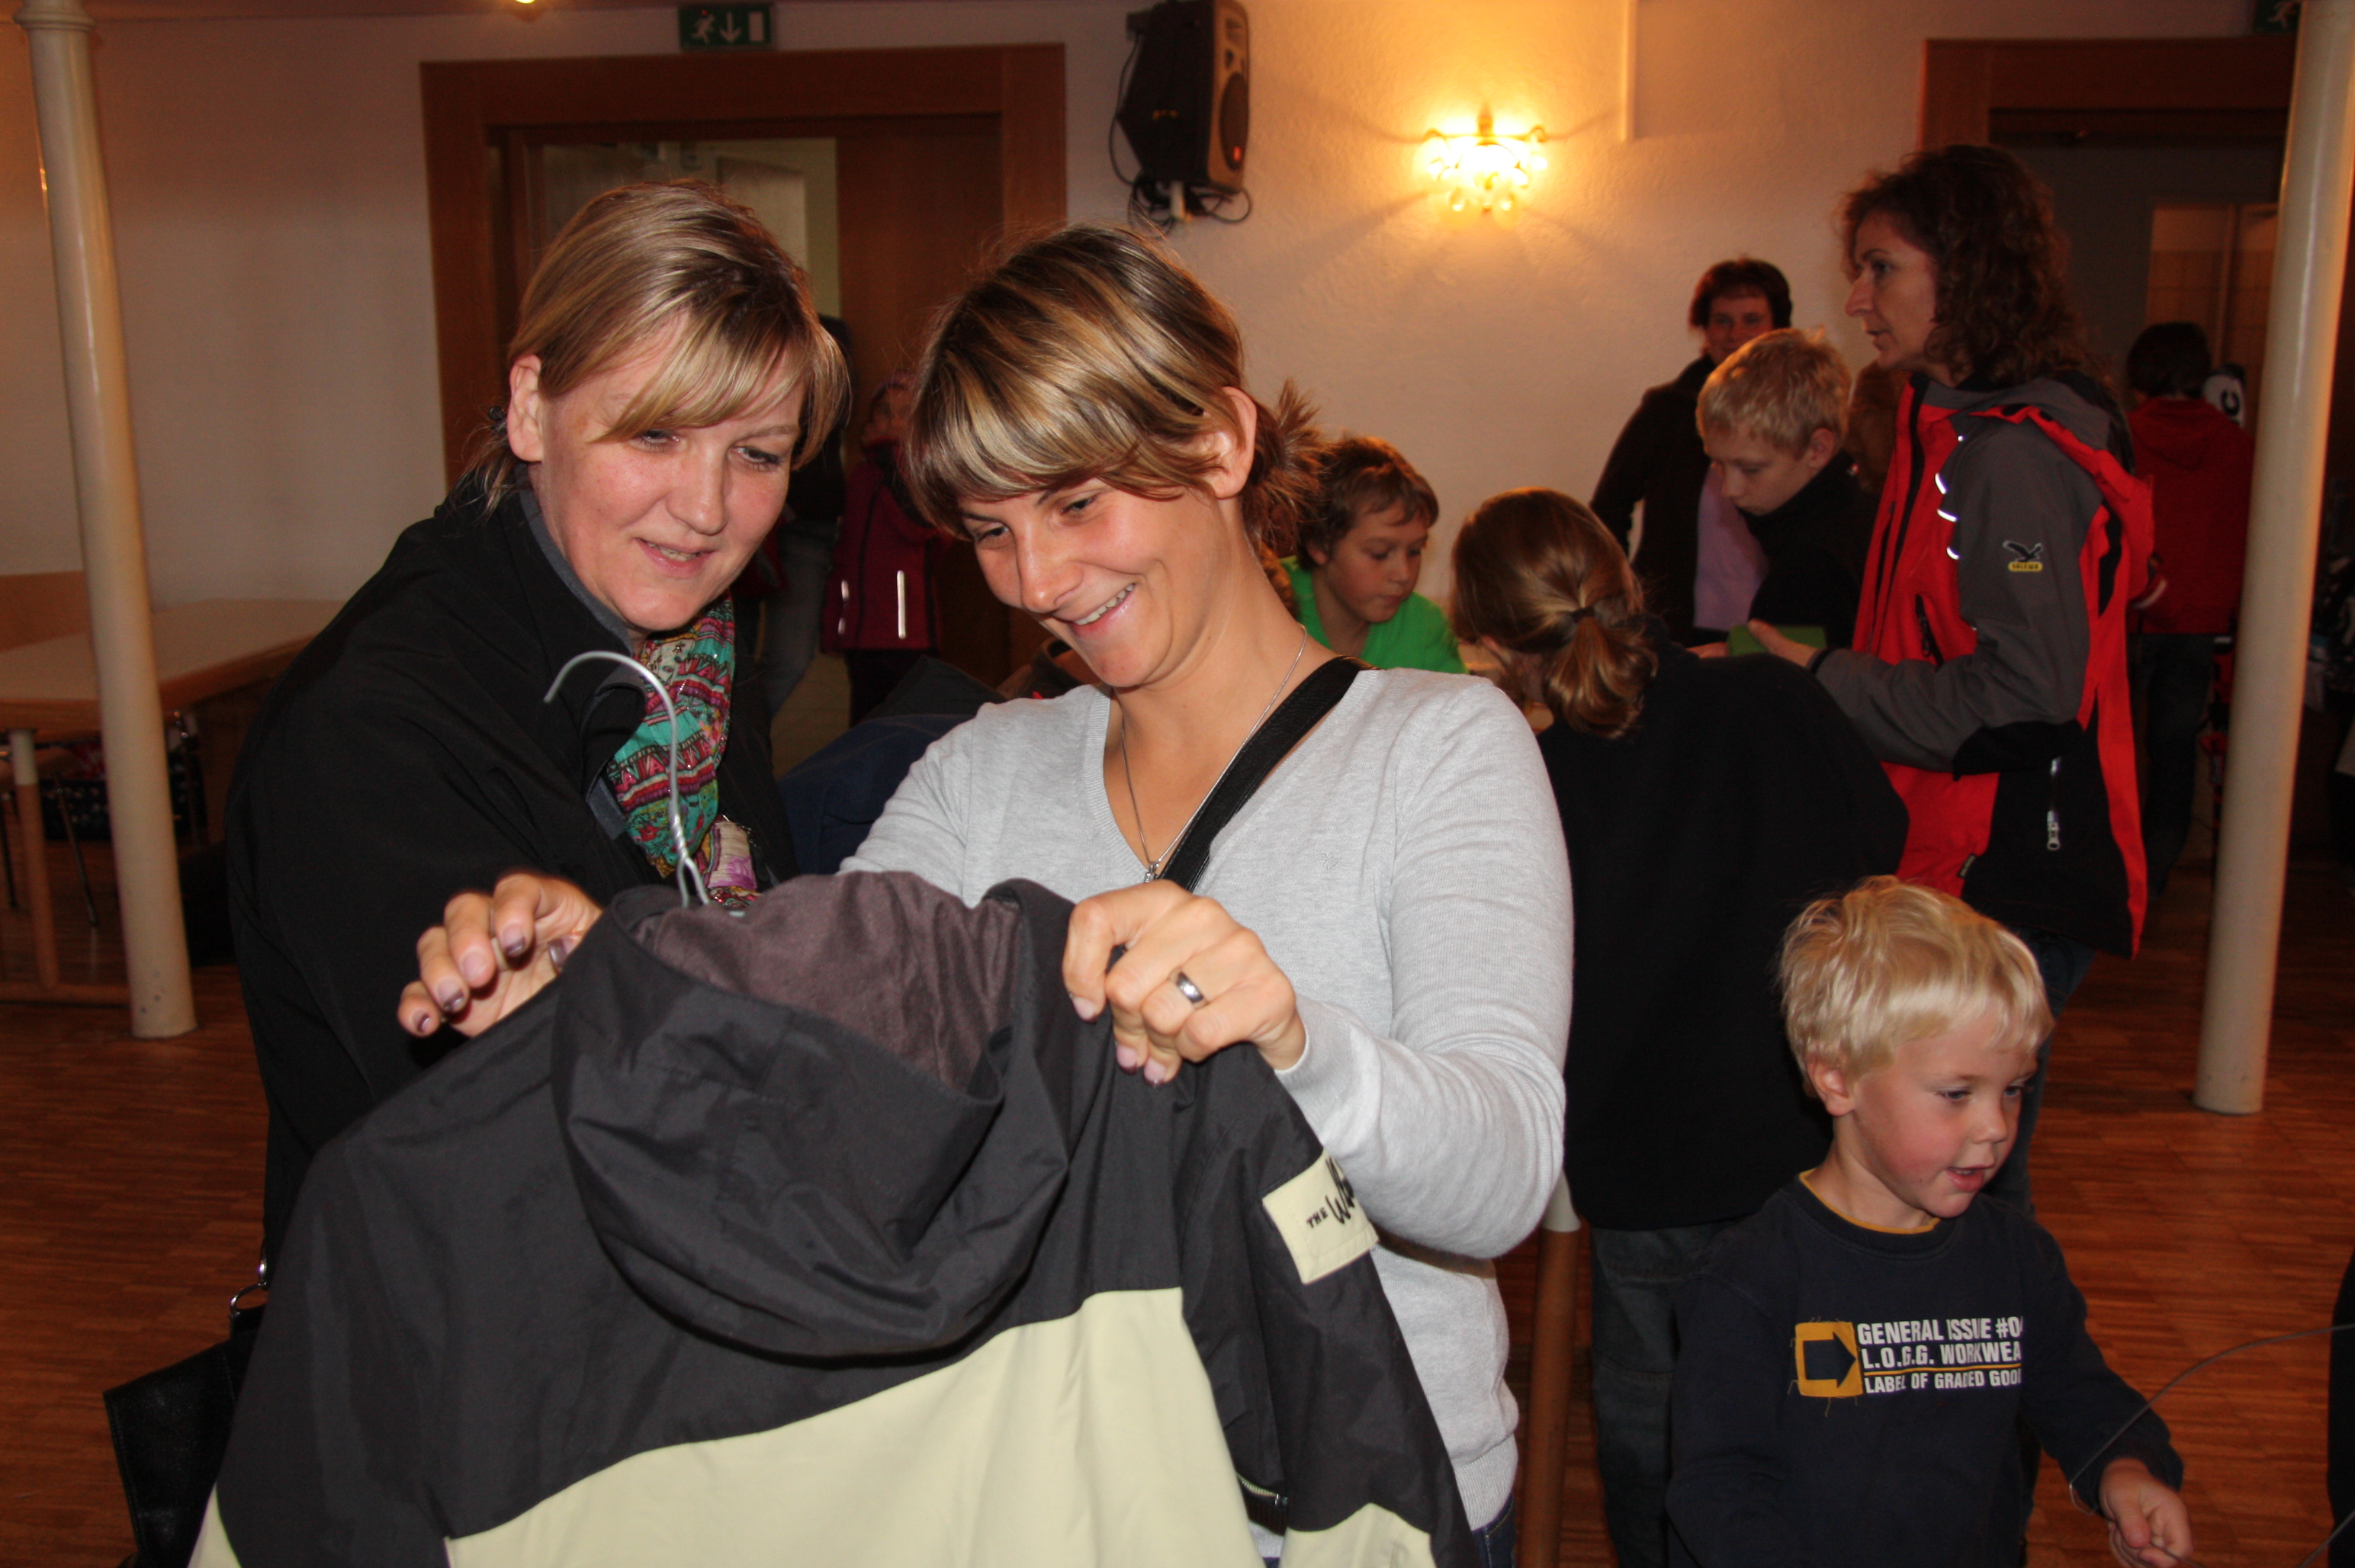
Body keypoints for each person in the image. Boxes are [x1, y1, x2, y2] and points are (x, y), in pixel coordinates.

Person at [397, 222, 1573, 1563]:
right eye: (993, 533)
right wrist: (602, 998)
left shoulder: (1436, 749)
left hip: (1364, 1502)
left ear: (1221, 443)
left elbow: (1500, 1176)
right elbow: (810, 1068)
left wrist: (1295, 1041)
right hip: (1054, 1503)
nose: (1039, 583)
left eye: (1075, 505)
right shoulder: (981, 773)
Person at [227, 181, 846, 1261]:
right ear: (529, 409)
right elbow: (521, 1171)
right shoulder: (374, 732)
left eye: (756, 453)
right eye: (654, 432)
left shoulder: (689, 661)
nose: (706, 510)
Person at [1450, 488, 1906, 1568]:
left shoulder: (1529, 779)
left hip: (1641, 1163)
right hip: (1809, 1139)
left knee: (1656, 1417)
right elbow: (1881, 840)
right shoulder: (1774, 700)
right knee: (1815, 1406)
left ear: (1490, 644)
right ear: (1626, 579)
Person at [1745, 145, 2152, 1216]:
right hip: (1955, 853)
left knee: (1963, 1181)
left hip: (2005, 869)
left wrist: (1825, 678)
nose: (1856, 299)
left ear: (1966, 270)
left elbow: (2024, 694)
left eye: (1881, 268)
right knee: (1945, 1175)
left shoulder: (2009, 458)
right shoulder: (1955, 427)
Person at [1668, 877, 2190, 1568]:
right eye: (1956, 1094)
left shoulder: (2016, 1257)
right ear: (1836, 1078)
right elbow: (1718, 1488)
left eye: (2013, 1089)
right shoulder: (1751, 1278)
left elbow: (2081, 1397)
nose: (1995, 1126)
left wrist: (2125, 1468)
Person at [1592, 256, 1792, 641]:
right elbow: (1608, 508)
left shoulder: (1801, 415)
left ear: (1777, 328)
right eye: (1722, 321)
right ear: (1705, 329)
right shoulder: (1667, 410)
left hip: (1775, 623)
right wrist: (1618, 597)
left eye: (1751, 320)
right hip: (1675, 624)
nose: (1735, 334)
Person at [2125, 320, 2252, 899]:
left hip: (2136, 614)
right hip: (2199, 621)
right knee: (2174, 754)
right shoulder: (2236, 445)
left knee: (2115, 749)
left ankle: (2115, 868)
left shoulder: (2126, 437)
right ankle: (2157, 871)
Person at [1695, 329, 1875, 648]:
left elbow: (1789, 674)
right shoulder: (1861, 502)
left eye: (1751, 469)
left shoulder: (1811, 567)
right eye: (1719, 465)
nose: (1729, 490)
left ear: (1817, 449)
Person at [821, 370, 949, 722]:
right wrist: (834, 624)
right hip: (861, 634)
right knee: (866, 725)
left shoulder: (921, 474)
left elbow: (921, 527)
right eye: (883, 412)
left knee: (908, 725)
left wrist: (888, 454)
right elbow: (845, 554)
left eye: (904, 414)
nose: (892, 421)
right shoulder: (863, 475)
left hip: (908, 634)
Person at [1283, 435, 1464, 671]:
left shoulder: (1427, 626)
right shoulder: (1272, 600)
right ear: (1319, 544)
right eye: (1380, 553)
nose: (1403, 574)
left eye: (1414, 551)